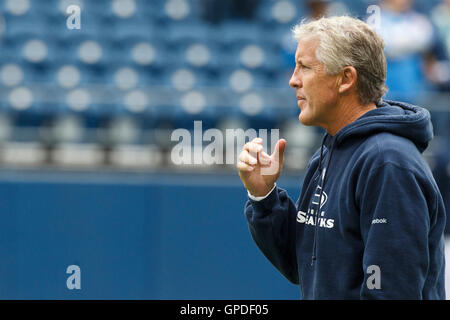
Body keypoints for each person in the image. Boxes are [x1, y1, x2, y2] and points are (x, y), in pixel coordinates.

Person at [237, 16, 446, 299]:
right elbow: (302, 265)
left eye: (305, 67)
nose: (292, 80)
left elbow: (390, 291)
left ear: (346, 78)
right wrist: (264, 197)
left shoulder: (388, 163)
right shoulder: (329, 151)